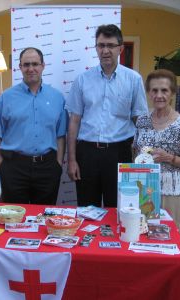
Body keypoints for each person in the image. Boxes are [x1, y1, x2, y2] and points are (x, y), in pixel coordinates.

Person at [65, 24, 148, 208]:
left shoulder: (133, 80)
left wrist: (145, 156)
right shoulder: (82, 80)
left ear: (120, 48)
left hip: (120, 153)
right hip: (87, 153)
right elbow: (74, 122)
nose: (105, 50)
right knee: (87, 210)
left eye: (110, 45)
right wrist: (71, 160)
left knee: (118, 208)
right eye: (101, 45)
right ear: (96, 48)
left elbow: (140, 120)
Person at [0, 47, 68, 205]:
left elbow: (60, 136)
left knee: (44, 217)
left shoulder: (57, 98)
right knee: (13, 218)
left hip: (47, 167)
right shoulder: (6, 98)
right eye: (26, 65)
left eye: (35, 64)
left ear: (43, 66)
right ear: (20, 67)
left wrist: (58, 165)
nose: (31, 69)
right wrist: (2, 167)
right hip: (14, 167)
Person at [133, 69, 180, 229]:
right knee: (143, 233)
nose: (159, 95)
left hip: (170, 191)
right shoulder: (142, 121)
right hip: (145, 190)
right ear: (148, 93)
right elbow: (135, 151)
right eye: (154, 90)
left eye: (164, 90)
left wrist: (169, 157)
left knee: (167, 237)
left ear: (172, 93)